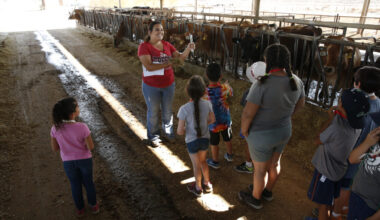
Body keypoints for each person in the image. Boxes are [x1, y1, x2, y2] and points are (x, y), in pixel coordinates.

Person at [239, 44, 305, 209]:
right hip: (284, 130)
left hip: (261, 134)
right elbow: (301, 104)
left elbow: (248, 113)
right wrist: (287, 116)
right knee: (274, 164)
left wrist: (245, 130)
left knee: (260, 170)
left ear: (267, 61)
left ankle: (255, 199)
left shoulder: (261, 84)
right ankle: (267, 192)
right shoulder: (296, 81)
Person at [305, 89, 369, 220]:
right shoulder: (357, 126)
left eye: (341, 100)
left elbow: (317, 140)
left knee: (323, 204)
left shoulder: (336, 127)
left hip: (325, 171)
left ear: (342, 106)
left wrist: (330, 119)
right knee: (328, 200)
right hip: (338, 171)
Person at [332, 66, 380, 218]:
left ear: (357, 84)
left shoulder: (355, 103)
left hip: (351, 151)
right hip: (367, 156)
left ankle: (334, 212)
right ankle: (340, 210)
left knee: (342, 184)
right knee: (348, 185)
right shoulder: (378, 103)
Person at [138, 21, 195, 144]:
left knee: (168, 111)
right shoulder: (144, 46)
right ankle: (153, 136)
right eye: (157, 29)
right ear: (150, 32)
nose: (160, 32)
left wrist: (188, 49)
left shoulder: (167, 45)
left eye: (162, 30)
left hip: (168, 84)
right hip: (151, 85)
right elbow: (149, 66)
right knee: (153, 111)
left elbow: (179, 58)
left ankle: (168, 133)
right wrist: (169, 63)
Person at [50, 97, 99, 217]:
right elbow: (90, 146)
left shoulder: (55, 128)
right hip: (85, 160)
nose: (79, 108)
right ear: (73, 113)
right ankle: (94, 206)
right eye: (77, 106)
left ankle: (80, 209)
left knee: (75, 184)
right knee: (88, 183)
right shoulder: (82, 127)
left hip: (68, 162)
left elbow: (55, 148)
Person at [177, 75, 215, 197]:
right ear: (204, 91)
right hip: (205, 139)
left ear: (187, 92)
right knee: (203, 161)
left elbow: (180, 132)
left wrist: (187, 128)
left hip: (192, 141)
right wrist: (203, 124)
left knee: (196, 165)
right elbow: (212, 119)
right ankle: (207, 183)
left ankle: (198, 188)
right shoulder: (208, 104)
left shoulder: (183, 109)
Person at [235, 61, 266, 174]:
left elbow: (246, 111)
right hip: (265, 125)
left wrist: (244, 128)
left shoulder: (250, 91)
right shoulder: (270, 90)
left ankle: (249, 165)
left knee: (248, 144)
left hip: (252, 124)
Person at [347, 112, 380, 220]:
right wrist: (367, 142)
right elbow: (352, 159)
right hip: (355, 196)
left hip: (368, 206)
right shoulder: (376, 144)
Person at [204, 63, 234, 169]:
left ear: (206, 76)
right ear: (221, 76)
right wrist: (227, 85)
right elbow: (231, 93)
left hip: (213, 124)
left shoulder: (205, 92)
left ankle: (215, 161)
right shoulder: (225, 88)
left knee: (214, 142)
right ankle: (230, 155)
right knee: (228, 138)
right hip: (226, 120)